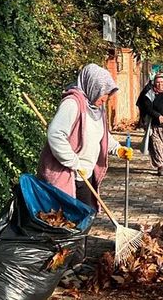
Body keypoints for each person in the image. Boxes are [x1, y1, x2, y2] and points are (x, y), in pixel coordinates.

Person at [37, 64, 132, 210]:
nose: (104, 100)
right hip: (68, 173)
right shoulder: (72, 104)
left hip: (85, 172)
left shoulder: (96, 107)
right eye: (103, 94)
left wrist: (117, 149)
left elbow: (101, 132)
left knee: (87, 215)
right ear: (93, 87)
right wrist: (73, 162)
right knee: (67, 220)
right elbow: (55, 135)